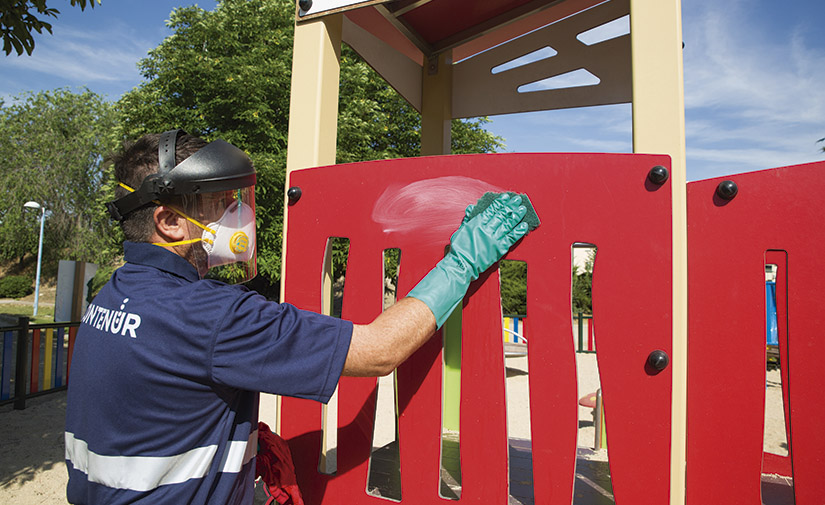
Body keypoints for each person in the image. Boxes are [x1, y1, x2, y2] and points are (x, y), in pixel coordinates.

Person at [64, 130, 533, 504]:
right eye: (218, 202)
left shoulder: (114, 295)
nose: (238, 214)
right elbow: (379, 350)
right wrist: (464, 262)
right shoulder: (211, 315)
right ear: (169, 222)